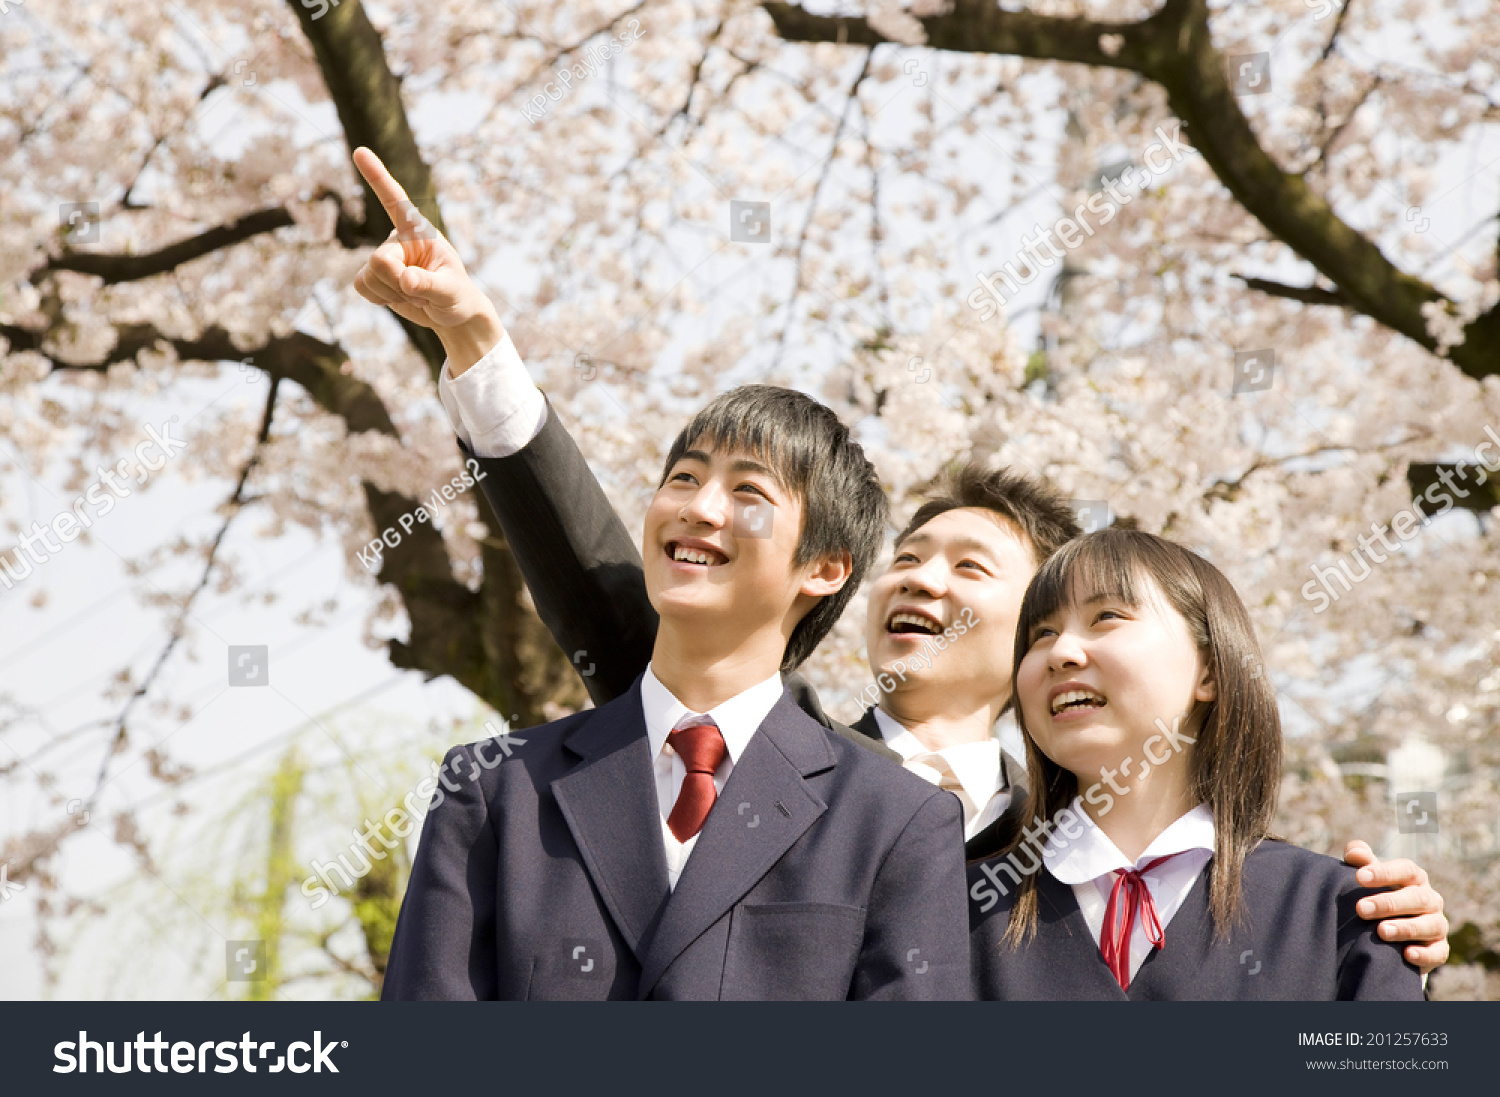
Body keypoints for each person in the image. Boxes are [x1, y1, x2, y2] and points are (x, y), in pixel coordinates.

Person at [348, 145, 1449, 977]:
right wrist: (482, 357)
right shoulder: (762, 759)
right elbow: (606, 578)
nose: (921, 579)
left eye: (975, 569)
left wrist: (1373, 927)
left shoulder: (1079, 856)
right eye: (911, 558)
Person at [380, 373, 971, 997]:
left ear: (824, 568)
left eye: (747, 490)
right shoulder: (496, 792)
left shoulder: (895, 820)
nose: (698, 507)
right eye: (684, 478)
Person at [968, 530, 1422, 999]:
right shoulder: (959, 912)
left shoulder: (1340, 913)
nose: (1061, 653)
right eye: (1042, 634)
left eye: (1106, 617)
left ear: (1208, 671)